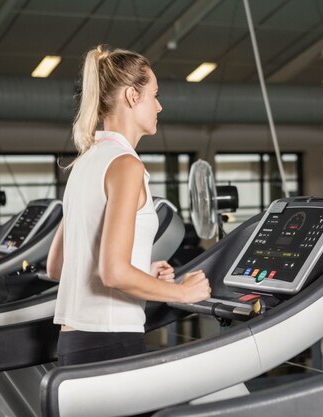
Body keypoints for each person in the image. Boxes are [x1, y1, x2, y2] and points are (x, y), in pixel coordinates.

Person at [46, 45, 211, 366]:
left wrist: (141, 271)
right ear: (133, 97)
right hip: (110, 340)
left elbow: (57, 267)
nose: (159, 106)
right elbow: (113, 273)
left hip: (74, 341)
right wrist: (182, 293)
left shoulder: (84, 162)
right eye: (154, 94)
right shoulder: (126, 165)